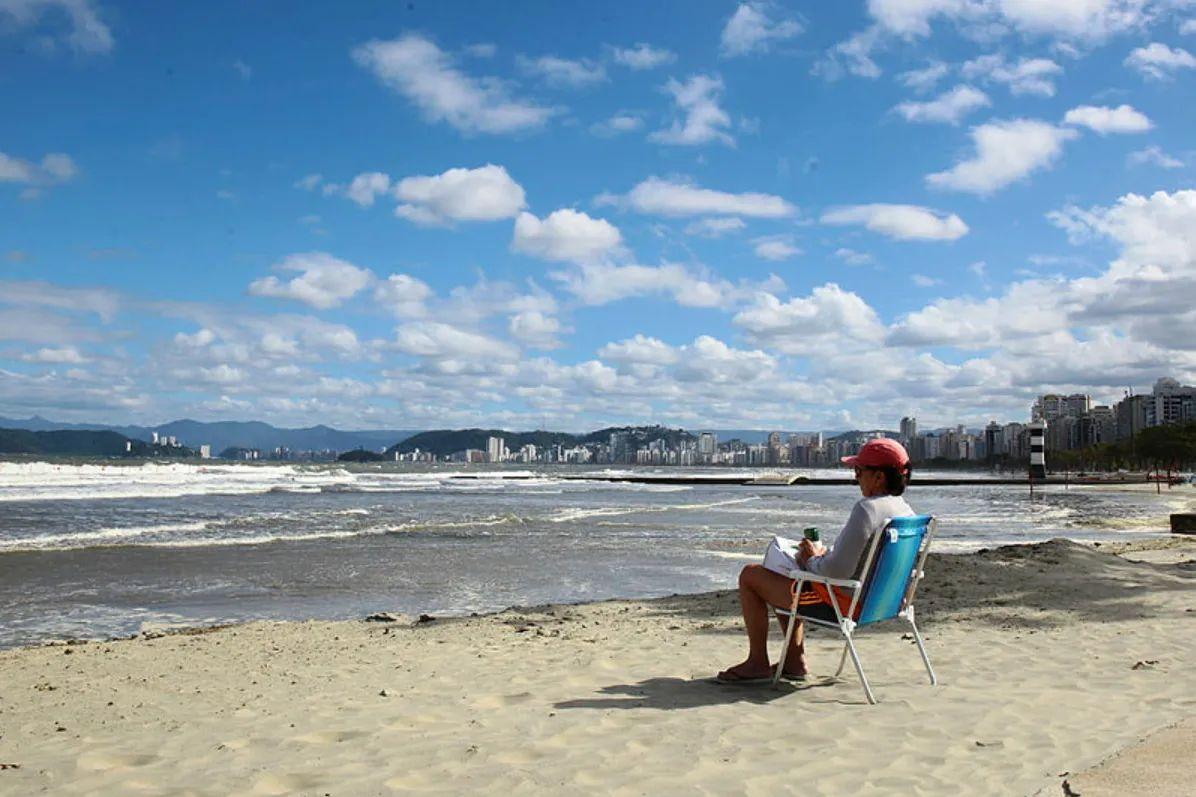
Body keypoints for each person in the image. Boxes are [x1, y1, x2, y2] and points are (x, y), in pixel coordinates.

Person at [716, 438, 915, 684]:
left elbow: (836, 571)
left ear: (879, 477)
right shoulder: (905, 511)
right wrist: (819, 557)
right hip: (885, 602)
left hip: (845, 603)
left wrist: (811, 559)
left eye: (859, 471)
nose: (856, 478)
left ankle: (757, 662)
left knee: (751, 575)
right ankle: (793, 661)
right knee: (786, 574)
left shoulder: (868, 509)